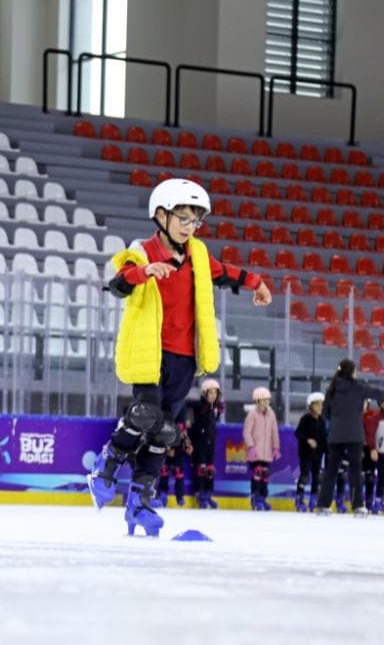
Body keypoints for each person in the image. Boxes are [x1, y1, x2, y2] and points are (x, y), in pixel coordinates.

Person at [87, 178, 272, 536]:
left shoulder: (199, 254)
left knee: (165, 432)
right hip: (150, 352)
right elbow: (119, 282)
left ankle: (139, 504)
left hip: (185, 357)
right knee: (144, 414)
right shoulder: (142, 249)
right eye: (183, 218)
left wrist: (256, 282)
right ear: (161, 215)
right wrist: (146, 272)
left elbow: (225, 273)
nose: (189, 227)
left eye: (195, 221)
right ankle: (105, 466)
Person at [315, 359, 384, 516]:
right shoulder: (359, 387)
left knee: (331, 470)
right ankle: (357, 505)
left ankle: (323, 504)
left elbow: (325, 413)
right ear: (352, 372)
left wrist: (338, 419)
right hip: (354, 435)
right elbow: (379, 393)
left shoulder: (331, 389)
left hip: (335, 435)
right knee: (355, 471)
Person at [243, 386, 280, 511]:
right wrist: (251, 447)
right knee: (257, 474)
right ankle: (255, 497)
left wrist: (276, 447)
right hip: (255, 453)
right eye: (263, 400)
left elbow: (274, 432)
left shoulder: (271, 414)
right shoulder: (252, 414)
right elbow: (247, 432)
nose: (266, 403)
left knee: (265, 476)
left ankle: (263, 498)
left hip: (267, 453)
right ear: (257, 401)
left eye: (268, 400)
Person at [188, 378, 223, 509]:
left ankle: (208, 494)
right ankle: (200, 493)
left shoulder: (215, 408)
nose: (213, 395)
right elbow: (187, 405)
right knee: (201, 468)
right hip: (200, 441)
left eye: (215, 393)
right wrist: (188, 419)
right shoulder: (200, 405)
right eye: (210, 393)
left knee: (209, 468)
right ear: (204, 393)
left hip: (210, 441)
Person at [294, 391, 327, 513]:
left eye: (321, 404)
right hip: (306, 454)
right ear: (311, 406)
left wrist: (325, 450)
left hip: (318, 455)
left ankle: (313, 499)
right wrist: (308, 440)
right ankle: (299, 498)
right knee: (304, 476)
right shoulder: (306, 419)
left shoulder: (322, 421)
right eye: (317, 404)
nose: (320, 407)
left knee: (316, 478)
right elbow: (298, 433)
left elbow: (324, 437)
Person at [156, 419, 191, 507]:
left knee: (178, 472)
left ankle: (180, 496)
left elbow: (186, 439)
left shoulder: (182, 421)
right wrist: (167, 448)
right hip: (167, 444)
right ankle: (162, 493)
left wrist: (187, 445)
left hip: (178, 450)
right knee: (164, 470)